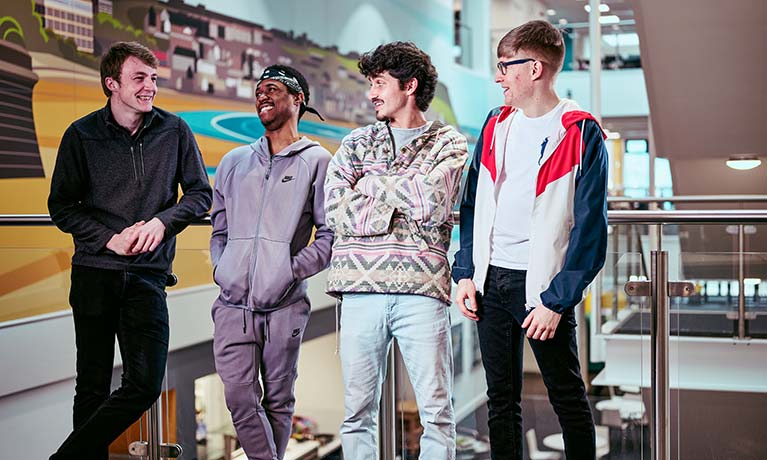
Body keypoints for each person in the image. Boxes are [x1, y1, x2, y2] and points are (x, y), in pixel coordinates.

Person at [47, 41, 212, 459]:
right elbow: (61, 206)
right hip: (94, 274)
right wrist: (109, 238)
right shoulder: (80, 135)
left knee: (143, 384)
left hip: (146, 276)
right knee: (92, 386)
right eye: (139, 78)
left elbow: (199, 195)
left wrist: (163, 222)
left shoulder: (174, 130)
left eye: (153, 78)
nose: (150, 87)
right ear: (112, 84)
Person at [452, 20, 608, 460]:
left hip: (543, 288)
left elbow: (591, 232)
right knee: (500, 403)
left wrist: (556, 301)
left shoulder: (580, 130)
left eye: (504, 66)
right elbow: (471, 205)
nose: (498, 76)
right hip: (490, 282)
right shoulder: (496, 123)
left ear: (534, 68)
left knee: (568, 402)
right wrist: (466, 273)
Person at [324, 41, 468, 459]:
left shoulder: (448, 143)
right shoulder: (355, 143)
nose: (371, 93)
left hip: (422, 292)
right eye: (371, 83)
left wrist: (369, 186)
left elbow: (434, 202)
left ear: (409, 85)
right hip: (358, 293)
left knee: (437, 414)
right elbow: (335, 209)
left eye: (379, 83)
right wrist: (401, 206)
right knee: (356, 414)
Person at [210, 65, 332, 460]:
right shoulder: (233, 162)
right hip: (232, 305)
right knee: (240, 398)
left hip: (284, 305)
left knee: (278, 400)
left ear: (298, 100)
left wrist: (289, 270)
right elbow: (219, 228)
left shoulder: (317, 162)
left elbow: (330, 236)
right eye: (259, 89)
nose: (262, 95)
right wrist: (222, 268)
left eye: (273, 89)